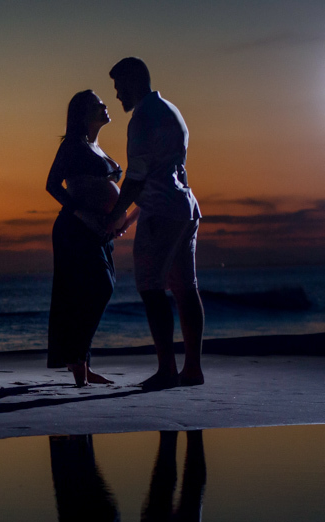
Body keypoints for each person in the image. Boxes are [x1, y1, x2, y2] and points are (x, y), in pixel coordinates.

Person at [106, 57, 204, 391]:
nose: (118, 96)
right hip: (185, 208)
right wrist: (133, 216)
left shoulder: (142, 118)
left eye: (119, 88)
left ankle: (166, 370)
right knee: (185, 289)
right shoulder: (171, 111)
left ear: (133, 82)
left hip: (162, 213)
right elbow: (165, 174)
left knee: (151, 288)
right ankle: (191, 369)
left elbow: (137, 177)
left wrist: (116, 213)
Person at [44, 90, 136, 386]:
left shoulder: (97, 147)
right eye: (99, 104)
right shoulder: (73, 146)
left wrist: (119, 221)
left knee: (87, 294)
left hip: (101, 231)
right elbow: (52, 185)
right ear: (84, 113)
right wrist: (82, 213)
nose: (106, 106)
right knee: (100, 287)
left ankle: (82, 363)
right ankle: (77, 359)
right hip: (76, 230)